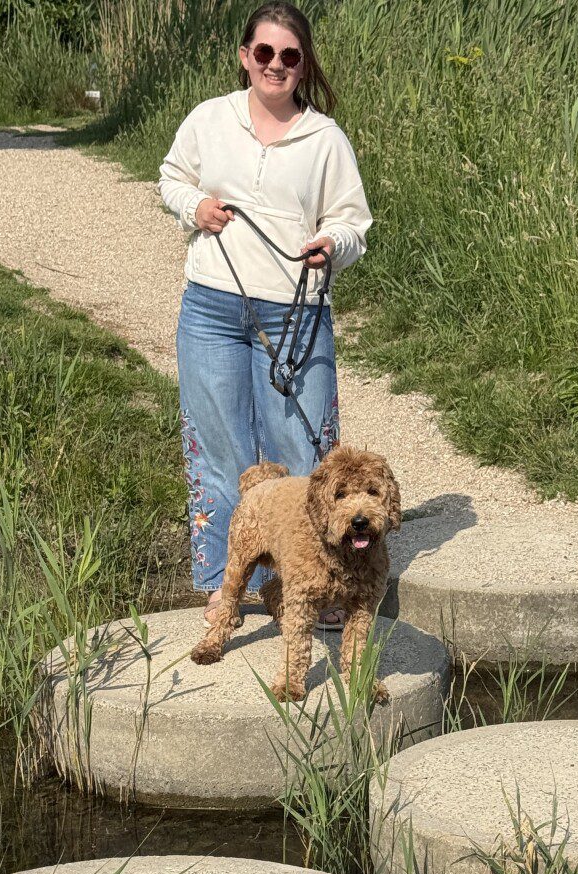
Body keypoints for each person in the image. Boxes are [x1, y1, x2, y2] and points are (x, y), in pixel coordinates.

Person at [158, 2, 373, 630]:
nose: (275, 65)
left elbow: (353, 222)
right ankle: (222, 587)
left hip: (296, 318)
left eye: (289, 56)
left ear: (303, 65)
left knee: (304, 454)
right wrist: (195, 206)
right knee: (220, 455)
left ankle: (320, 583)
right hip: (211, 309)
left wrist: (331, 244)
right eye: (264, 53)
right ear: (244, 55)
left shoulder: (326, 138)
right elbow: (171, 179)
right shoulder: (208, 120)